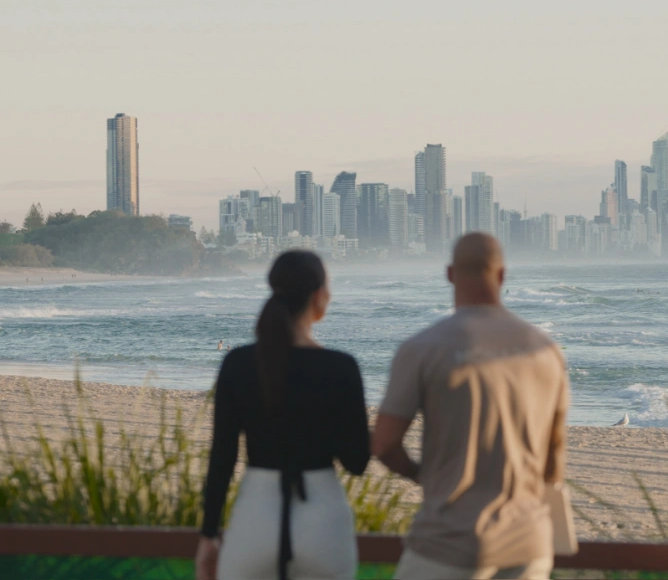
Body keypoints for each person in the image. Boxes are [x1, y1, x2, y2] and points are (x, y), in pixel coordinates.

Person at [373, 233, 569, 580]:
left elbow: (385, 444)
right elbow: (553, 455)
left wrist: (421, 476)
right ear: (502, 275)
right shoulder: (544, 349)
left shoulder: (424, 347)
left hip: (450, 541)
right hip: (529, 544)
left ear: (450, 274)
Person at [196, 251, 370, 580]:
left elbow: (222, 457)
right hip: (323, 523)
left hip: (256, 520)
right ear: (319, 296)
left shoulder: (238, 364)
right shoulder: (341, 367)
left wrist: (208, 536)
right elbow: (357, 462)